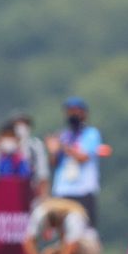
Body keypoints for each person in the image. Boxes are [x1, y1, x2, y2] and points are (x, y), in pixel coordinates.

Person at [23, 198, 102, 254]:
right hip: (65, 244)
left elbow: (71, 247)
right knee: (51, 252)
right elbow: (28, 241)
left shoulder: (73, 217)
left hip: (88, 247)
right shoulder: (40, 213)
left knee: (68, 251)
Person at [46, 97, 102, 226]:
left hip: (83, 191)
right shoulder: (62, 135)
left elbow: (83, 158)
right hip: (62, 190)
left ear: (84, 113)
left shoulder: (91, 134)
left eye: (76, 111)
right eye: (70, 111)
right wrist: (53, 151)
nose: (72, 114)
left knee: (85, 228)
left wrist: (63, 146)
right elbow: (53, 163)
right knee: (61, 228)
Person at [11, 113, 50, 197]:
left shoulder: (35, 145)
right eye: (17, 125)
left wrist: (43, 193)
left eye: (23, 124)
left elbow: (42, 171)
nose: (20, 128)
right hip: (12, 187)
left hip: (32, 187)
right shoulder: (9, 147)